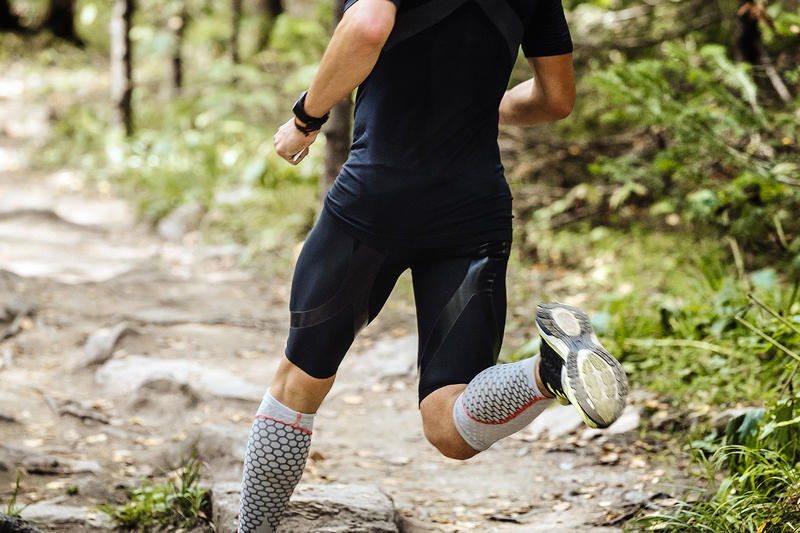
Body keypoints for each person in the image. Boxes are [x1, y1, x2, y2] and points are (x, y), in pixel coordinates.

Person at [238, 0, 628, 531]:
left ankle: (251, 528)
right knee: (450, 424)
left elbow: (368, 25)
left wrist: (306, 118)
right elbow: (556, 100)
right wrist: (480, 107)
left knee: (297, 386)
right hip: (475, 212)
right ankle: (549, 373)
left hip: (374, 205)